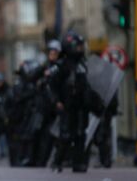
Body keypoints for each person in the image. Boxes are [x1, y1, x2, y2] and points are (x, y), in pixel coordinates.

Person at [50, 31, 91, 173]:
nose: (80, 49)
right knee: (65, 135)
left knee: (81, 135)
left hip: (81, 106)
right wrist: (57, 101)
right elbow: (52, 86)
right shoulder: (61, 65)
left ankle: (79, 163)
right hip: (67, 105)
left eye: (81, 46)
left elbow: (89, 84)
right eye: (77, 46)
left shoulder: (83, 64)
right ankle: (57, 162)